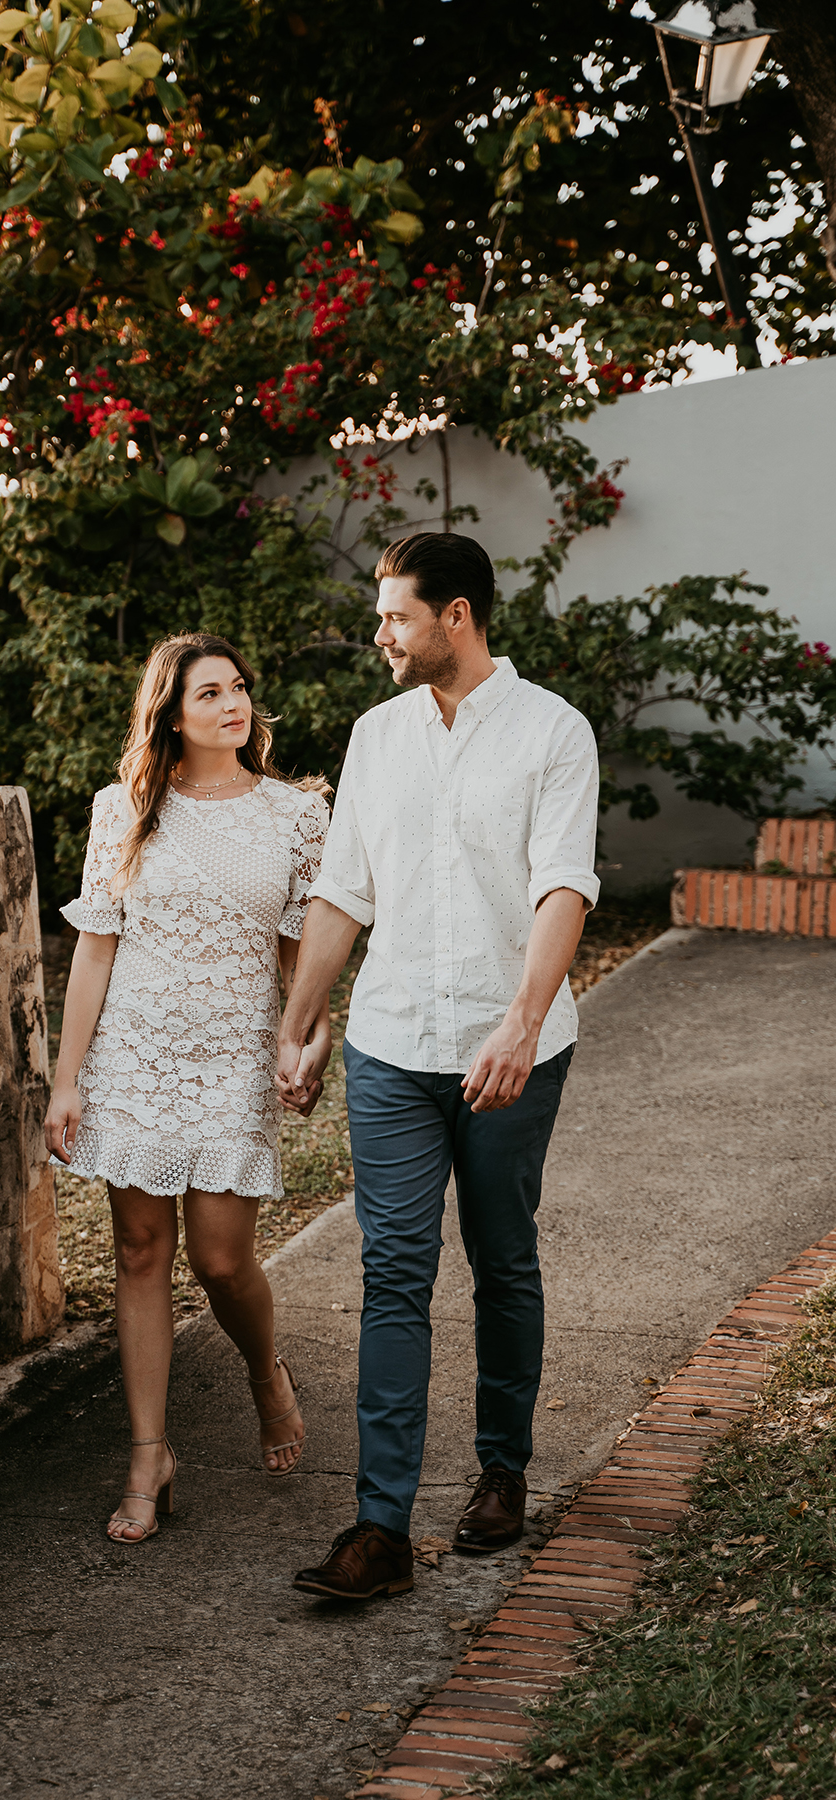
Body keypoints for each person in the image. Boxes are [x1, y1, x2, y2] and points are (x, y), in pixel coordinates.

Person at [278, 532, 600, 1601]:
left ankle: (502, 1473)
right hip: (393, 1042)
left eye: (396, 617)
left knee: (503, 1259)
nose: (381, 634)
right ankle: (379, 1527)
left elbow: (564, 886)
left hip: (513, 1049)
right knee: (393, 1273)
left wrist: (521, 1018)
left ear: (455, 616)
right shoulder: (376, 738)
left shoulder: (553, 732)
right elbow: (345, 891)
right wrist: (303, 1018)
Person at [45, 632, 331, 1544]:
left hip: (232, 1057)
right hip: (134, 1051)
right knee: (138, 1249)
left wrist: (309, 1041)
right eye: (209, 693)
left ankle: (264, 1372)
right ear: (171, 713)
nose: (233, 704)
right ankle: (148, 1455)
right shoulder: (122, 810)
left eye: (239, 688)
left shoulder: (295, 815)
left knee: (217, 1258)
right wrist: (67, 1079)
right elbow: (96, 947)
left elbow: (304, 959)